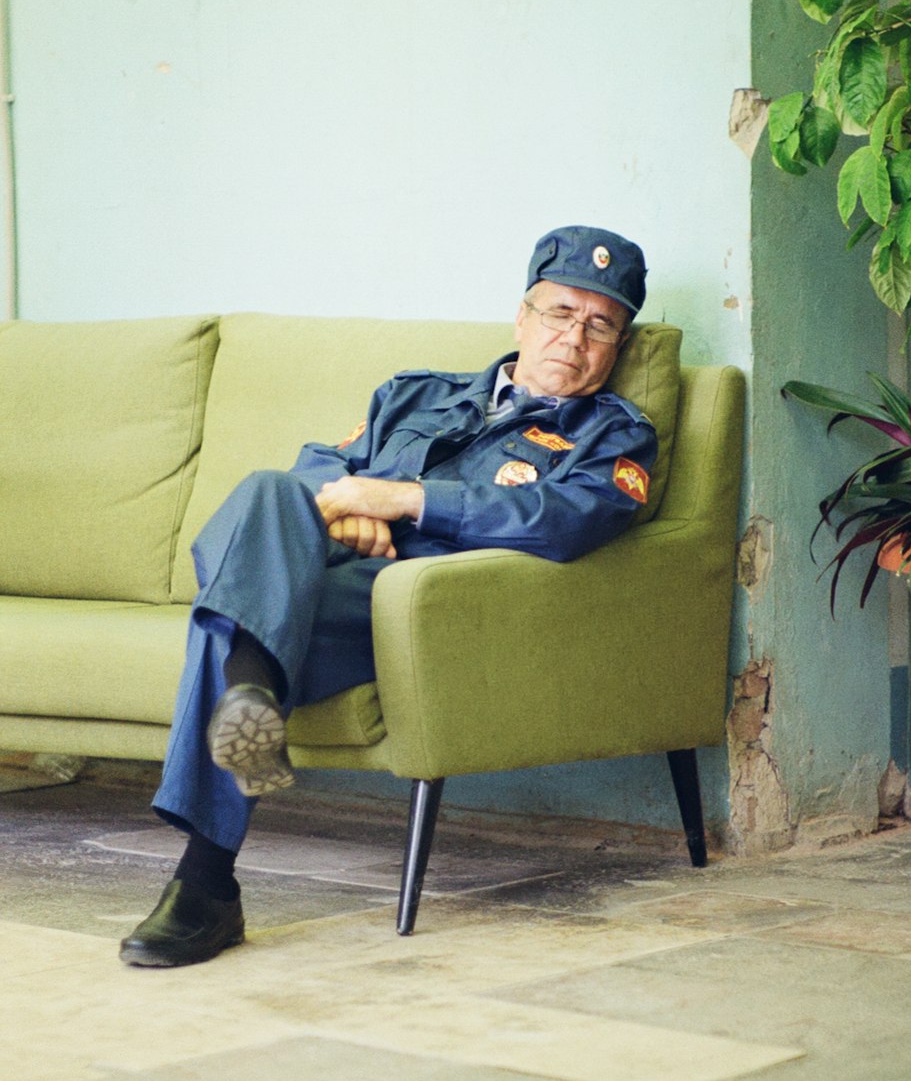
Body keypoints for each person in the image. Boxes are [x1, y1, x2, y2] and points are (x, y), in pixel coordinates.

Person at [120, 225, 657, 968]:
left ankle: (208, 873)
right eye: (560, 312)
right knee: (271, 491)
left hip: (420, 609)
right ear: (522, 318)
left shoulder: (615, 437)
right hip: (319, 574)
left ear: (618, 344)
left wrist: (404, 500)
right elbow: (319, 471)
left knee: (230, 613)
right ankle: (248, 702)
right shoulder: (416, 393)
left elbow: (562, 521)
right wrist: (352, 506)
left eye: (601, 325)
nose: (575, 338)